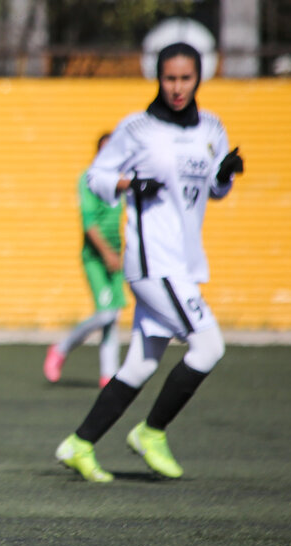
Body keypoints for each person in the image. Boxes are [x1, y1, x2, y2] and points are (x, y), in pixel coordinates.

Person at [54, 42, 244, 482]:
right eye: (170, 78)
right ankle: (151, 432)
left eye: (186, 79)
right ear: (158, 78)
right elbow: (96, 176)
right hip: (152, 261)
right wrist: (128, 182)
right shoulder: (137, 129)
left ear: (199, 78)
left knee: (140, 363)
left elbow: (213, 191)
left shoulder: (212, 127)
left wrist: (225, 173)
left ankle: (79, 444)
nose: (177, 88)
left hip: (185, 260)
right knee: (209, 345)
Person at [44, 133, 126, 388]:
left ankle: (108, 376)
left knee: (113, 317)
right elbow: (89, 225)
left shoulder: (123, 182)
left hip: (118, 256)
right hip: (96, 257)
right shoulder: (89, 180)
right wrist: (107, 254)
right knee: (105, 314)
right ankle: (62, 348)